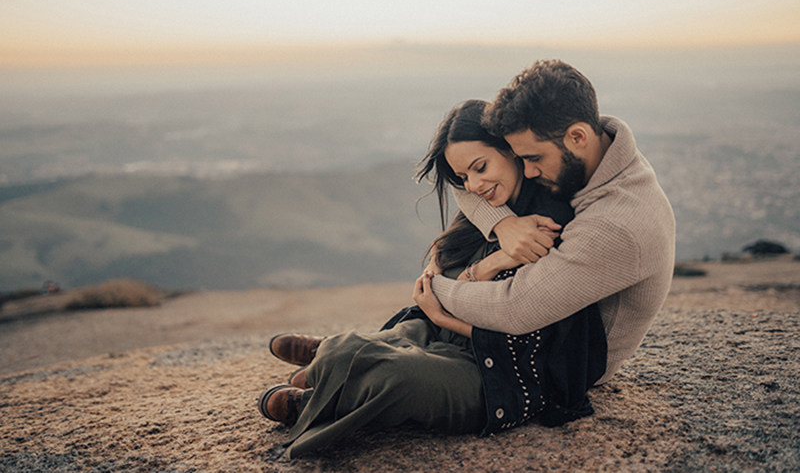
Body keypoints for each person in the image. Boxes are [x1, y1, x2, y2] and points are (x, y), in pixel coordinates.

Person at [257, 99, 607, 458]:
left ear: (512, 150)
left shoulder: (546, 226)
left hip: (498, 373)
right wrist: (474, 266)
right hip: (445, 334)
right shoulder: (494, 208)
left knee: (394, 375)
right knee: (362, 345)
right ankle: (335, 358)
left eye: (480, 167)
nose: (474, 185)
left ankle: (318, 395)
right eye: (464, 176)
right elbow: (445, 257)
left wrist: (444, 311)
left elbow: (526, 336)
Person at [425, 59, 676, 385]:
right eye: (521, 158)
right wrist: (502, 224)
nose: (528, 172)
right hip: (522, 339)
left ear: (577, 137)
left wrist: (435, 288)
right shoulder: (594, 149)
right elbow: (467, 184)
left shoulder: (616, 224)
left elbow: (515, 308)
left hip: (561, 366)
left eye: (533, 159)